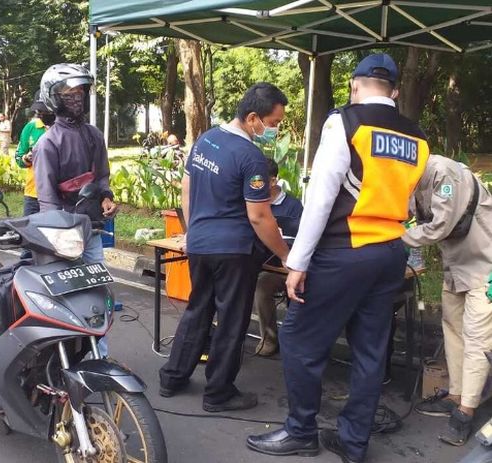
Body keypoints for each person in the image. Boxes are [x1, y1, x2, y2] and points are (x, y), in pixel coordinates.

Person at [246, 53, 430, 463]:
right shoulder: (417, 137)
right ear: (394, 90)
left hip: (344, 250)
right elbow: (414, 202)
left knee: (298, 339)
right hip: (390, 254)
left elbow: (321, 198)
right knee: (369, 351)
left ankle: (301, 431)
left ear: (354, 84)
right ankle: (353, 441)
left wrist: (297, 264)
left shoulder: (345, 122)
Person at [158, 82, 291, 413]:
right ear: (252, 118)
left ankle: (172, 377)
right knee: (232, 319)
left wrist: (193, 230)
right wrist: (288, 256)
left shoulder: (206, 140)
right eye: (273, 123)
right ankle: (218, 392)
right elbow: (259, 217)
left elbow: (186, 189)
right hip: (233, 251)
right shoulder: (251, 157)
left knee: (198, 308)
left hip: (200, 244)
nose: (274, 129)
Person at [403, 155, 492, 446]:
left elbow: (440, 226)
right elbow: (405, 212)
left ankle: (465, 413)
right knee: (452, 328)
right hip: (456, 265)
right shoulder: (410, 179)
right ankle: (455, 394)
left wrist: (395, 236)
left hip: (486, 268)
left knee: (477, 338)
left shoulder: (443, 174)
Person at [35, 63, 118, 356]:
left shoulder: (94, 135)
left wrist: (106, 198)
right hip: (65, 237)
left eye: (80, 91)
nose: (76, 97)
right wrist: (61, 241)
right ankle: (68, 357)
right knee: (69, 298)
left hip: (93, 229)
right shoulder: (48, 143)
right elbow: (47, 200)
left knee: (98, 294)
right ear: (54, 97)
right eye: (68, 92)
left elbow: (102, 176)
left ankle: (100, 356)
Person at [252, 158, 303, 357]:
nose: (254, 185)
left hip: (288, 268)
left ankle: (285, 340)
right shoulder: (254, 203)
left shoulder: (293, 207)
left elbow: (303, 239)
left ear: (272, 182)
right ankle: (263, 337)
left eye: (258, 182)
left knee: (263, 285)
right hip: (261, 262)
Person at [16, 100, 55, 216]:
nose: (42, 114)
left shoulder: (63, 129)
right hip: (33, 193)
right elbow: (18, 157)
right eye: (40, 111)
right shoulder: (30, 127)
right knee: (29, 230)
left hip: (56, 195)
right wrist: (26, 158)